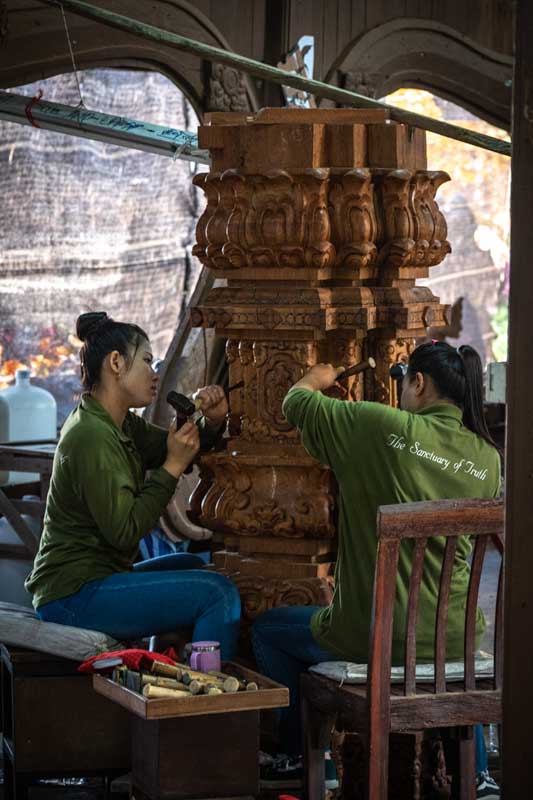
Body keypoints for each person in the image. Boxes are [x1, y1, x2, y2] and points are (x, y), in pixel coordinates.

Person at [252, 341, 501, 798]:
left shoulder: (377, 426)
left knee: (266, 629)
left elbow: (296, 403)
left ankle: (304, 757)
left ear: (419, 383)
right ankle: (480, 776)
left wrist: (320, 378)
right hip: (455, 645)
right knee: (444, 642)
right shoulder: (487, 457)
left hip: (374, 643)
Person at [25, 311, 240, 659]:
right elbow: (125, 531)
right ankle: (210, 708)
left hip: (98, 581)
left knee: (191, 566)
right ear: (115, 363)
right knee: (218, 593)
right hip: (72, 596)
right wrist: (172, 466)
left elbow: (170, 445)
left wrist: (211, 421)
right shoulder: (91, 436)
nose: (155, 375)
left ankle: (167, 675)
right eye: (147, 361)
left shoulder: (118, 422)